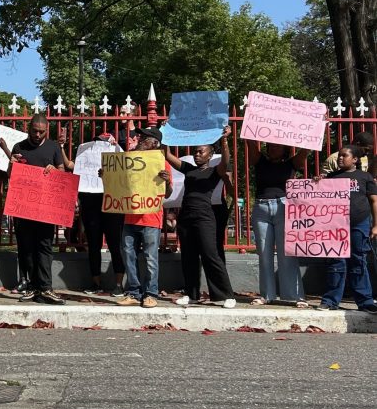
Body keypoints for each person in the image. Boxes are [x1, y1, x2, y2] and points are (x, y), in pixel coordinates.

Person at [0, 113, 66, 305]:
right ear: (29, 128)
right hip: (23, 207)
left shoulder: (53, 147)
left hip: (45, 207)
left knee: (44, 247)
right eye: (34, 131)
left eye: (41, 132)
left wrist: (55, 170)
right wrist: (12, 164)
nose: (37, 135)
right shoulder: (19, 147)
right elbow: (12, 175)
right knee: (26, 248)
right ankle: (32, 287)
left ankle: (46, 288)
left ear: (46, 131)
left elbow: (63, 171)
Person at [164, 126, 237, 308]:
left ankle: (226, 295)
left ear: (209, 155)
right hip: (186, 218)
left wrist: (225, 140)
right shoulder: (189, 169)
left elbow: (226, 161)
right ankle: (191, 294)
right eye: (195, 152)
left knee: (211, 255)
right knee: (188, 256)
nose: (196, 154)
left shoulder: (214, 172)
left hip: (205, 217)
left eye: (200, 152)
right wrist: (165, 132)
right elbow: (167, 154)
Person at [114, 128, 172, 308]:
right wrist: (108, 177)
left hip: (150, 218)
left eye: (144, 137)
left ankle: (150, 293)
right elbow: (119, 184)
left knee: (150, 258)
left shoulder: (161, 163)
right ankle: (133, 292)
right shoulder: (129, 159)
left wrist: (167, 182)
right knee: (128, 256)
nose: (139, 139)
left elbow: (168, 194)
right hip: (130, 218)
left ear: (154, 143)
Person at [246, 140, 308, 307]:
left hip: (283, 207)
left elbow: (306, 150)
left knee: (287, 254)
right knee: (264, 255)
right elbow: (250, 143)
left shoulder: (292, 163)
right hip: (261, 208)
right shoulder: (260, 161)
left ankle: (293, 296)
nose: (273, 148)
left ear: (285, 149)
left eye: (277, 146)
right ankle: (267, 295)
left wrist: (318, 127)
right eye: (270, 146)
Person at [318, 146, 377, 312]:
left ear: (355, 160)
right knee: (336, 261)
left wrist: (375, 225)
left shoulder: (365, 177)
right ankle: (330, 301)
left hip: (359, 223)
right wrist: (317, 182)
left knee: (358, 260)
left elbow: (374, 201)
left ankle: (365, 302)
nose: (340, 158)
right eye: (339, 156)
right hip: (336, 225)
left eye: (345, 156)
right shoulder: (331, 177)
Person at [79, 128, 126, 295]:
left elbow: (126, 173)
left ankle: (119, 284)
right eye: (98, 141)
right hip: (91, 204)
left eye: (105, 141)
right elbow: (71, 166)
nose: (101, 144)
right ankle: (95, 283)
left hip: (112, 205)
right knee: (93, 245)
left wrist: (116, 149)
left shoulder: (118, 153)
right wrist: (62, 147)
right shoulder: (84, 154)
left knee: (115, 245)